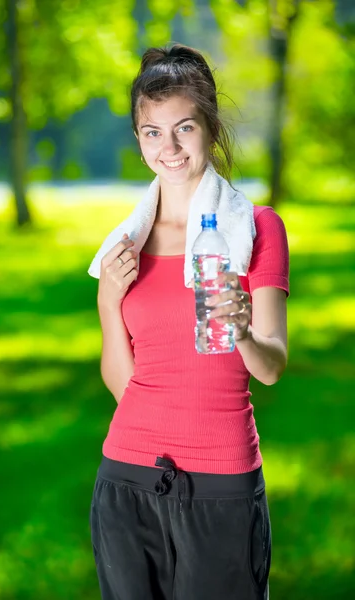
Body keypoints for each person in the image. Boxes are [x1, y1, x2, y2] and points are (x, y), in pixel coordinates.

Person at [88, 43, 289, 600]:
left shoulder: (256, 229)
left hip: (222, 481)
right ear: (137, 138)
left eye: (184, 127)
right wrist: (108, 301)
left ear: (210, 127)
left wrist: (244, 331)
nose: (169, 147)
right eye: (152, 132)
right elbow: (123, 385)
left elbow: (271, 367)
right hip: (126, 476)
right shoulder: (125, 245)